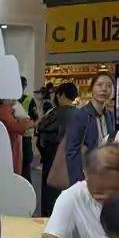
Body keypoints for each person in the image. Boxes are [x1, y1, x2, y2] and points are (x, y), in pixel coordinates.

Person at [64, 72, 116, 184]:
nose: (104, 89)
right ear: (92, 88)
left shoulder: (110, 116)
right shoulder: (81, 115)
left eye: (109, 85)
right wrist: (78, 181)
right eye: (99, 85)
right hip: (86, 174)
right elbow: (71, 151)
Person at [37, 82, 79, 216]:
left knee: (51, 197)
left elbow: (41, 133)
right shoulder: (81, 115)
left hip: (53, 160)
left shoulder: (54, 113)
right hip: (75, 162)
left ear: (61, 95)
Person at [0, 99, 35, 178]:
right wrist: (35, 122)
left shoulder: (11, 108)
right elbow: (16, 127)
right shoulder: (4, 110)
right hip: (12, 144)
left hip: (18, 141)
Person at [19, 76, 40, 183]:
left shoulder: (29, 100)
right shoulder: (8, 100)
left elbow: (36, 120)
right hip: (13, 138)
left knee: (25, 166)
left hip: (25, 138)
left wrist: (27, 126)